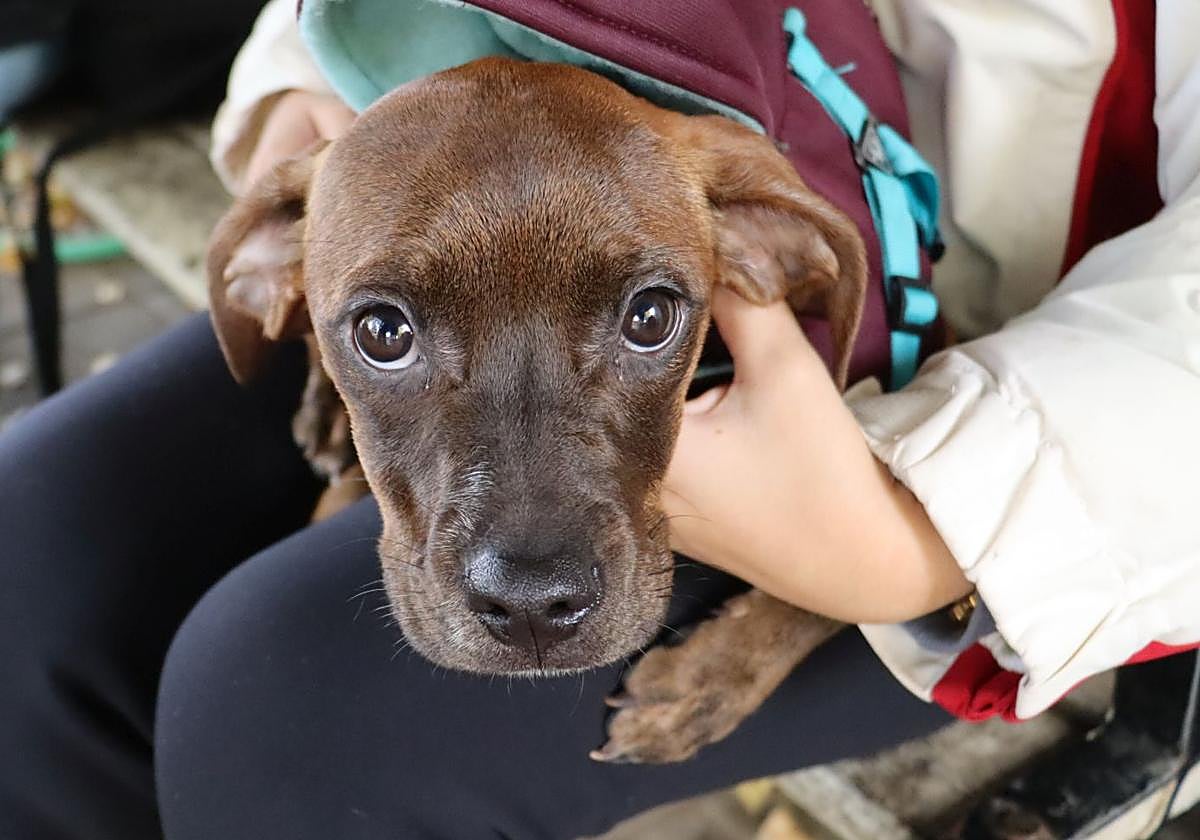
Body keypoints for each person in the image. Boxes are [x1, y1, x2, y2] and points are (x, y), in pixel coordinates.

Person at [2, 1, 1197, 838]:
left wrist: (894, 539)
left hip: (1037, 424)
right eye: (374, 335)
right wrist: (324, 68)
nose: (519, 565)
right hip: (511, 191)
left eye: (645, 321)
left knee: (286, 708)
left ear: (782, 253)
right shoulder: (307, 237)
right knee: (29, 559)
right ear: (268, 270)